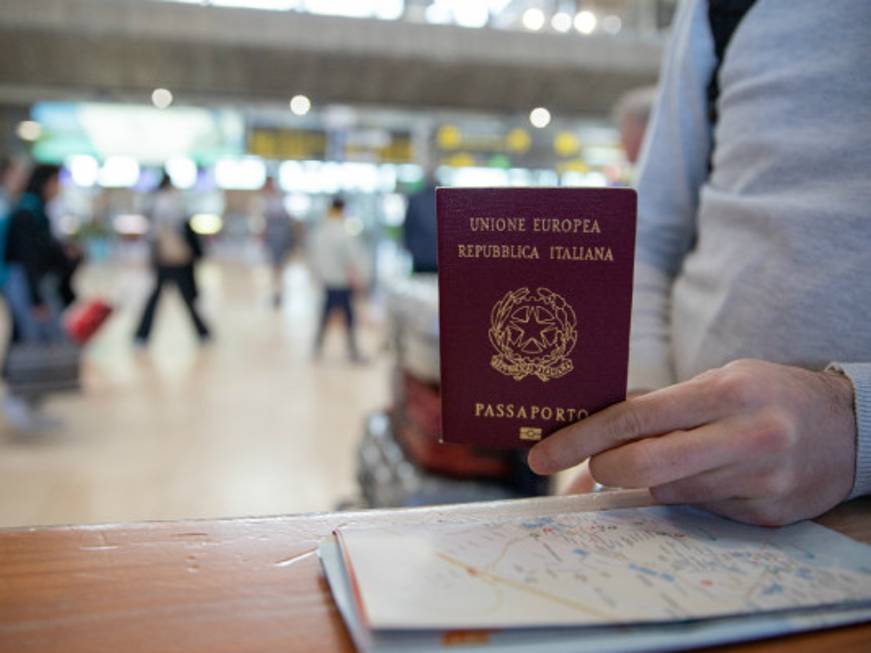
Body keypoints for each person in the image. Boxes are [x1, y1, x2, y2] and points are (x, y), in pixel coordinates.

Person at [528, 0, 871, 527]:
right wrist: (643, 420)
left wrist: (855, 427)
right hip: (686, 498)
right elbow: (647, 235)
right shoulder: (719, 10)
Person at [2, 164, 78, 430]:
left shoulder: (35, 210)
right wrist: (36, 300)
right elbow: (28, 259)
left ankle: (31, 403)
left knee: (35, 338)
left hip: (30, 284)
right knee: (29, 340)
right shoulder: (27, 211)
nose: (59, 188)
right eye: (56, 182)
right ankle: (18, 401)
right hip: (24, 284)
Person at [133, 173, 210, 345]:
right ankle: (203, 333)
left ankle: (142, 335)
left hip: (166, 257)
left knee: (164, 297)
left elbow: (153, 233)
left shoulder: (156, 202)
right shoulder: (170, 202)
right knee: (184, 296)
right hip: (173, 258)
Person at [308, 197, 370, 362]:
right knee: (348, 316)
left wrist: (318, 276)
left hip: (328, 280)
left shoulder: (321, 230)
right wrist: (361, 278)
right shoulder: (343, 231)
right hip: (341, 282)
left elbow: (313, 257)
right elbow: (353, 258)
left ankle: (317, 347)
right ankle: (353, 351)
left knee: (327, 314)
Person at [255, 177, 296, 308]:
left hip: (278, 238)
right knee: (274, 268)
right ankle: (276, 293)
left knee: (277, 267)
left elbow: (284, 220)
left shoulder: (277, 202)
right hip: (273, 238)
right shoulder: (264, 201)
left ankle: (278, 294)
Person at [402, 173, 438, 274]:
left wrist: (409, 247)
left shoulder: (415, 199)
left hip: (420, 254)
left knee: (421, 284)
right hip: (439, 255)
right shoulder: (446, 200)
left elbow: (407, 227)